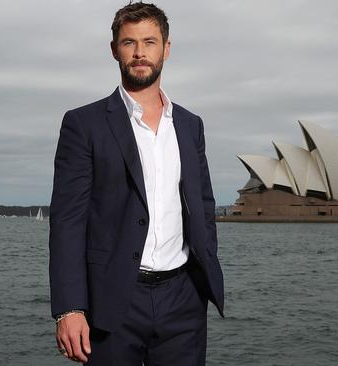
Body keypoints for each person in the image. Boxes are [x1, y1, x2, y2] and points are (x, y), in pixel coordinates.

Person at [48, 3, 224, 365]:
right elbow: (67, 221)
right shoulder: (84, 124)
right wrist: (69, 308)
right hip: (113, 298)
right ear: (115, 49)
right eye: (129, 42)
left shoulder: (191, 125)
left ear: (167, 48)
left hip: (183, 298)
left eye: (150, 42)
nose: (140, 52)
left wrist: (203, 274)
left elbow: (203, 205)